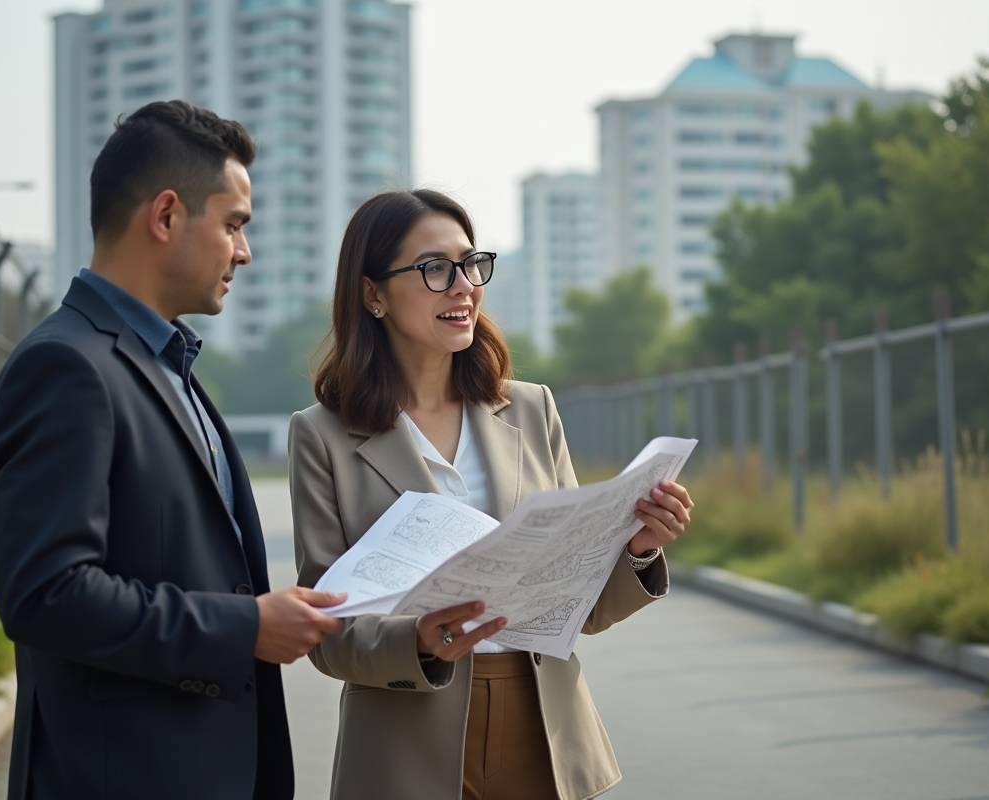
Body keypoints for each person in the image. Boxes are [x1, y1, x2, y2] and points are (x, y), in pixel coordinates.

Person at [0, 100, 346, 800]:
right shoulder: (66, 367)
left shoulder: (166, 364)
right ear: (167, 215)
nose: (245, 251)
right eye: (234, 225)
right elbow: (45, 594)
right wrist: (245, 627)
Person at [288, 189, 694, 800]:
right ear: (373, 294)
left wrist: (637, 549)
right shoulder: (321, 436)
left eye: (471, 264)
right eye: (435, 269)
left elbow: (581, 607)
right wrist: (415, 640)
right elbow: (327, 632)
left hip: (542, 727)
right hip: (404, 742)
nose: (463, 287)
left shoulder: (532, 409)